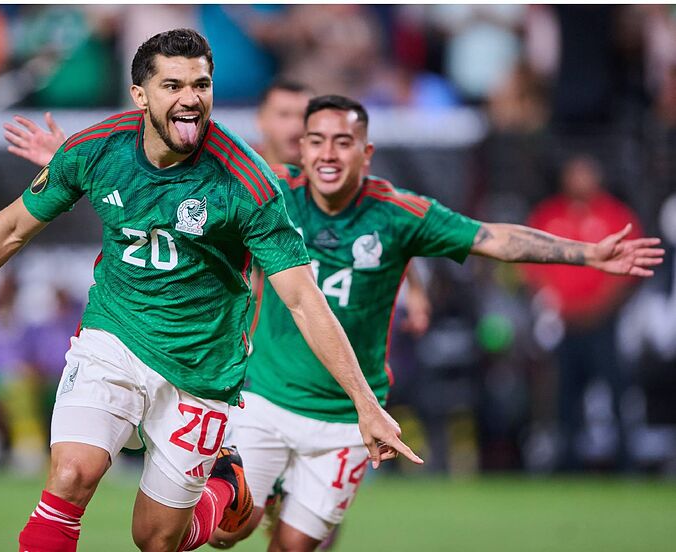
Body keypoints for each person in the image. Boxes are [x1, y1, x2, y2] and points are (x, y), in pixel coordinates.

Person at [0, 30, 419, 552]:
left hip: (201, 367)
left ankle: (224, 485)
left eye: (201, 85)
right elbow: (11, 229)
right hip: (114, 338)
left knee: (155, 539)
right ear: (140, 94)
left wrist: (365, 405)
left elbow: (301, 298)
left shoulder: (247, 184)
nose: (191, 99)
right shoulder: (96, 149)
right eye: (173, 85)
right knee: (70, 475)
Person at [209, 96, 663, 551]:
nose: (328, 154)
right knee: (230, 531)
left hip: (350, 415)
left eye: (343, 142)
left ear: (366, 153)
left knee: (296, 547)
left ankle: (284, 496)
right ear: (301, 150)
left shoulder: (399, 214)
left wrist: (586, 253)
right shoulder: (273, 194)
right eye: (317, 142)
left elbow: (493, 238)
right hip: (265, 398)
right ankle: (261, 495)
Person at [522, 155, 646, 471]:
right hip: (564, 324)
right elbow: (532, 266)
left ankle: (626, 461)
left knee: (616, 389)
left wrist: (597, 308)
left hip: (604, 322)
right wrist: (555, 304)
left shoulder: (616, 215)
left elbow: (629, 269)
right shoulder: (549, 215)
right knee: (565, 395)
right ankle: (568, 464)